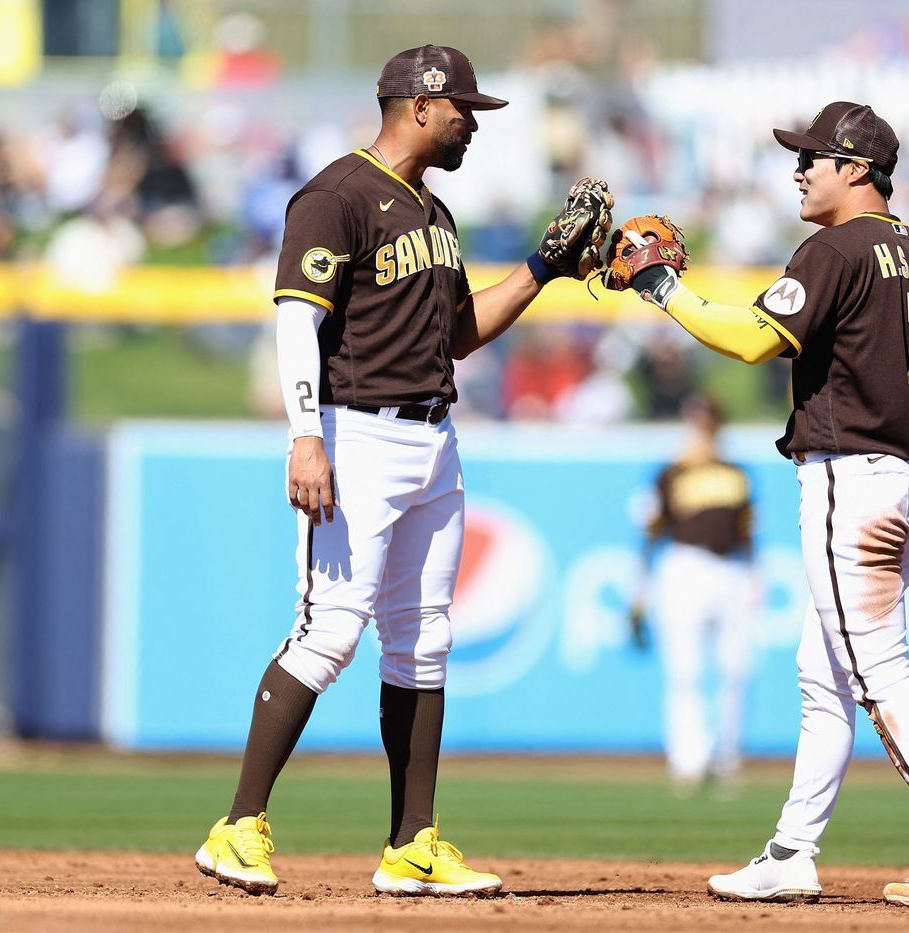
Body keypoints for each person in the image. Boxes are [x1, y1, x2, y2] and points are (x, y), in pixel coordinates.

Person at [194, 45, 610, 899]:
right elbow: (295, 321)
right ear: (420, 105)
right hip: (355, 435)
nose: (472, 125)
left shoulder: (437, 214)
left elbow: (458, 332)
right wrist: (304, 433)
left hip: (433, 435)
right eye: (464, 109)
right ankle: (237, 824)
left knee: (423, 638)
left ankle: (411, 842)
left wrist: (541, 269)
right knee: (332, 627)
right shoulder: (336, 195)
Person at [607, 102, 909, 906]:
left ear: (857, 170)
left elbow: (752, 339)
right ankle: (791, 851)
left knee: (876, 676)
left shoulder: (834, 249)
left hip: (848, 483)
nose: (798, 169)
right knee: (822, 676)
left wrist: (662, 288)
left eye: (813, 157)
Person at [630, 394, 757, 793]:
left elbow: (747, 531)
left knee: (736, 669)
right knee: (685, 670)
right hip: (682, 567)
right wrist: (641, 589)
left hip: (730, 570)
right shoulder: (669, 474)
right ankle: (688, 760)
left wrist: (756, 575)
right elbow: (650, 534)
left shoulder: (737, 472)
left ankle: (726, 757)